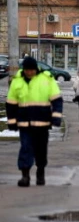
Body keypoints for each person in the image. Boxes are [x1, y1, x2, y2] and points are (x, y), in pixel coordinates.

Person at [6, 56, 63, 187]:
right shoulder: (17, 81)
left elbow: (56, 100)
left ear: (35, 69)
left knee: (41, 150)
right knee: (25, 148)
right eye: (27, 70)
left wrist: (56, 117)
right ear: (24, 69)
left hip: (42, 123)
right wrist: (12, 121)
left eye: (31, 70)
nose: (29, 72)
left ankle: (40, 172)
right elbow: (11, 103)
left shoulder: (46, 79)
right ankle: (25, 175)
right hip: (24, 123)